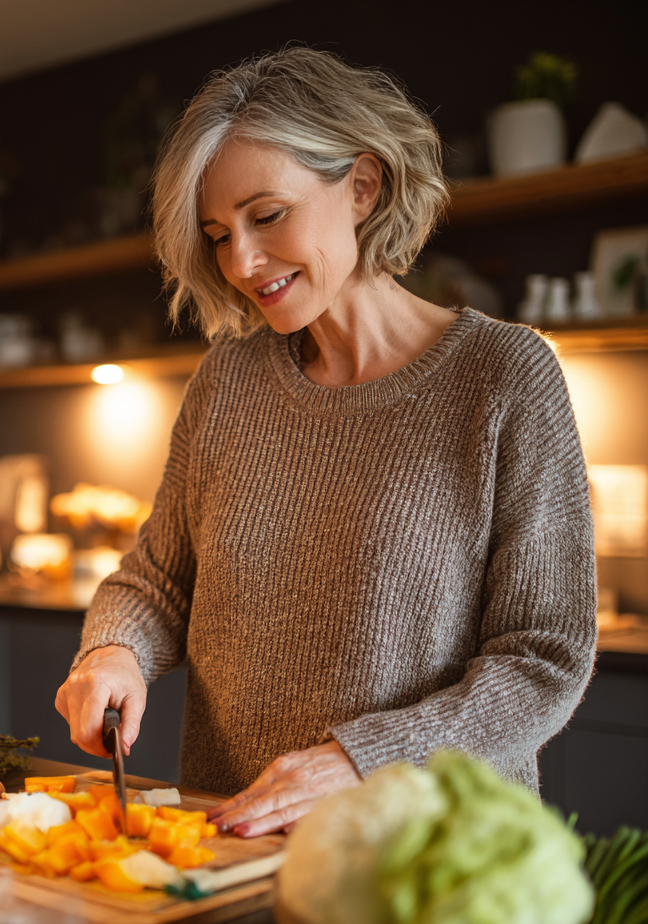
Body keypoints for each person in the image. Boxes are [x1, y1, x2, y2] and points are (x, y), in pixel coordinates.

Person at [55, 48, 596, 838]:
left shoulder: (504, 377)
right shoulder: (228, 381)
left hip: (427, 854)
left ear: (363, 187)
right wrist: (112, 652)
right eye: (217, 234)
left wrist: (362, 761)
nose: (241, 261)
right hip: (238, 840)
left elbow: (542, 658)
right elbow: (159, 580)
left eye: (267, 216)